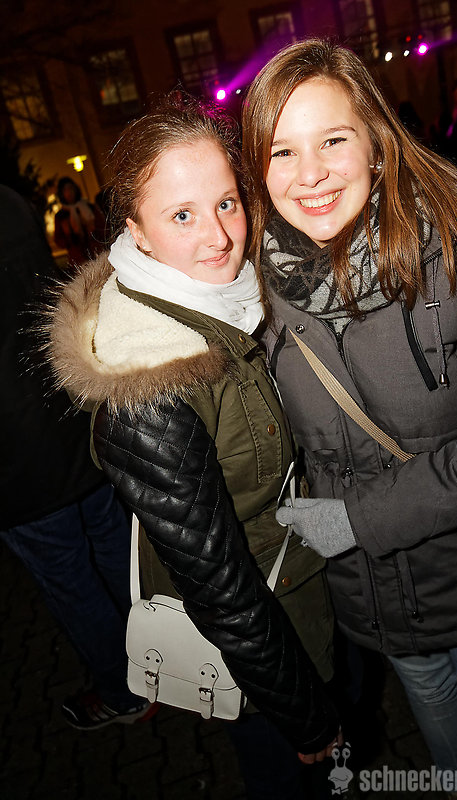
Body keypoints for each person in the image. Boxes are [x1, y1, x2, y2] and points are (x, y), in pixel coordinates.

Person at [241, 39, 457, 798]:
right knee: (433, 703)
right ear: (257, 169)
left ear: (375, 143)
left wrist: (354, 519)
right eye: (282, 150)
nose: (309, 174)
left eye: (333, 140)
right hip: (364, 585)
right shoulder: (247, 295)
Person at [47, 96, 340, 799]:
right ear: (137, 233)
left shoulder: (229, 300)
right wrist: (306, 720)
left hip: (308, 591)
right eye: (181, 215)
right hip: (266, 659)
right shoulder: (151, 383)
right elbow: (222, 591)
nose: (219, 236)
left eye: (226, 203)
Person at [0, 183, 149, 730]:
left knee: (71, 579)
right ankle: (160, 661)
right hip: (69, 417)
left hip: (17, 460)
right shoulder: (10, 202)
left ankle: (124, 690)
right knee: (114, 550)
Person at [54, 176, 105, 269]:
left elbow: (102, 227)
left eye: (70, 188)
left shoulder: (89, 207)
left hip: (96, 252)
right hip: (78, 259)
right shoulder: (61, 216)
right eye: (65, 190)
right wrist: (70, 238)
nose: (69, 192)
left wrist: (93, 231)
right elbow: (58, 239)